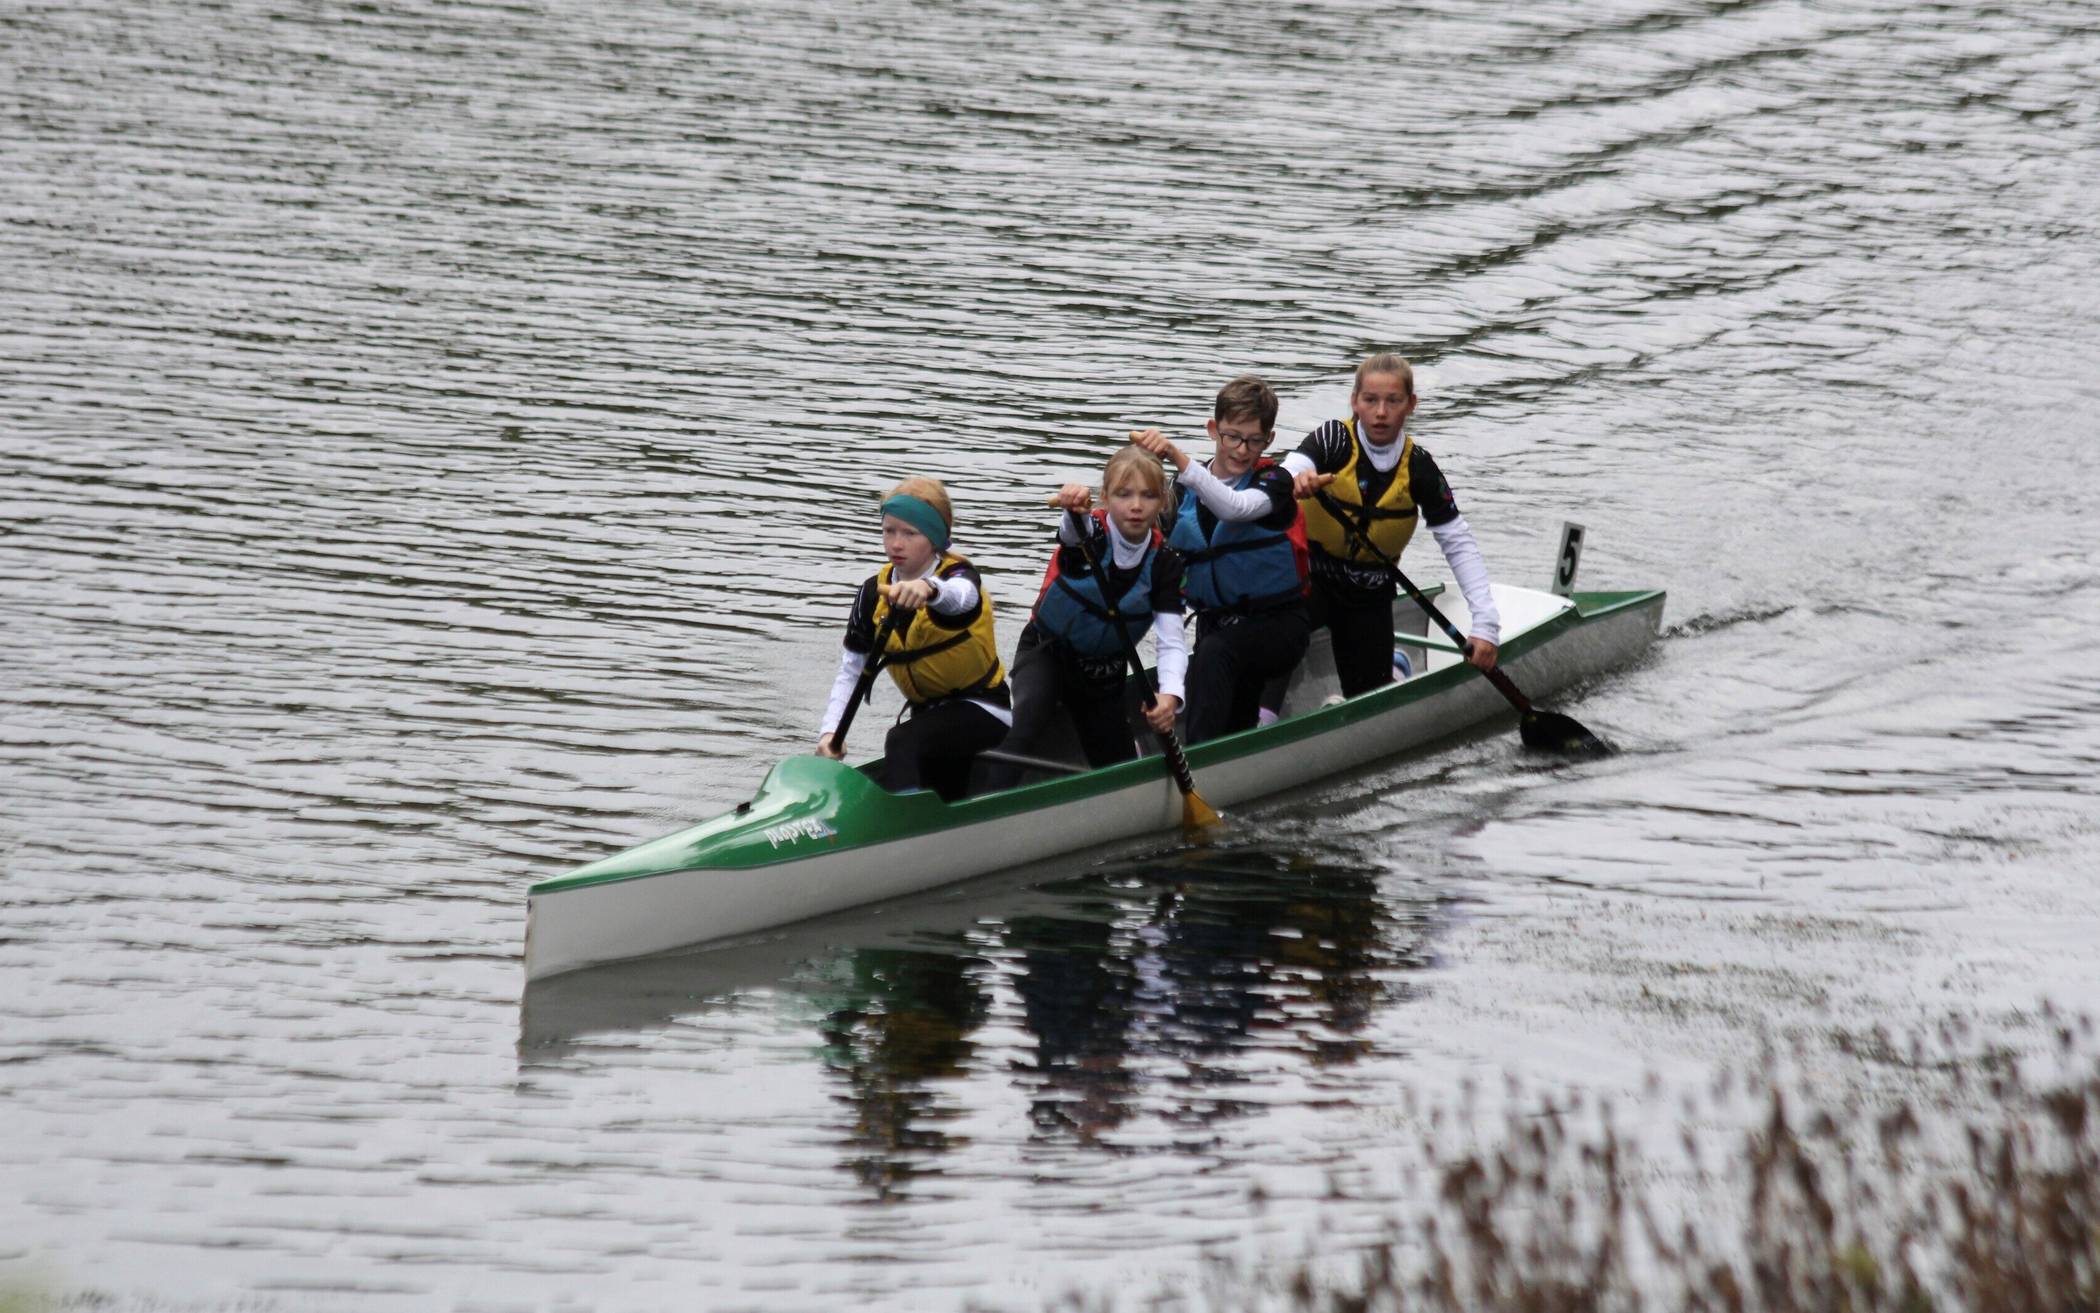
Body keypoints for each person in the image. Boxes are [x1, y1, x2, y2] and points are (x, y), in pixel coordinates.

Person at [1265, 353, 1501, 714]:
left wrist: (1485, 625)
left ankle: (1393, 668)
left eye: (1393, 401)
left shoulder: (1419, 467)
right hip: (1307, 583)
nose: (1380, 412)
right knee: (1273, 646)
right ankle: (1262, 719)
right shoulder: (1333, 440)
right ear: (1355, 401)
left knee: (1369, 700)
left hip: (1368, 595)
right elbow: (1287, 471)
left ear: (1411, 405)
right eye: (1371, 400)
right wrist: (1294, 480)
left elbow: (1458, 542)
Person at [989, 446, 1188, 788]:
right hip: (1046, 652)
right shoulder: (1089, 533)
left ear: (1162, 503)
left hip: (1102, 671)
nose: (1136, 506)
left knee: (1117, 770)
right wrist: (1074, 509)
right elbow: (1071, 533)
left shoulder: (1166, 564)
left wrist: (1170, 696)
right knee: (1025, 727)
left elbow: (1172, 642)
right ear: (1105, 498)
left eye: (1148, 495)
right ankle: (982, 814)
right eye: (1124, 495)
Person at [1130, 375, 1311, 745]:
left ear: (1269, 440)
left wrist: (1177, 457)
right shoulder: (1179, 493)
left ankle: (1198, 765)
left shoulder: (1274, 482)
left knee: (1212, 655)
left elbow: (1235, 509)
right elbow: (1143, 547)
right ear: (1213, 430)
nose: (1243, 450)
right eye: (1233, 437)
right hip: (1218, 623)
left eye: (1254, 440)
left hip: (1278, 626)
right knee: (1227, 699)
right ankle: (1232, 756)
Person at [816, 477, 1009, 801]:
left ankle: (902, 831)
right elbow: (851, 672)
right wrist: (830, 731)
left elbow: (962, 598)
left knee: (901, 741)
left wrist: (929, 589)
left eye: (910, 533)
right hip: (931, 721)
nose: (896, 543)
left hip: (985, 710)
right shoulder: (870, 594)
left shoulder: (959, 577)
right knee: (943, 788)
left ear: (934, 539)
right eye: (889, 530)